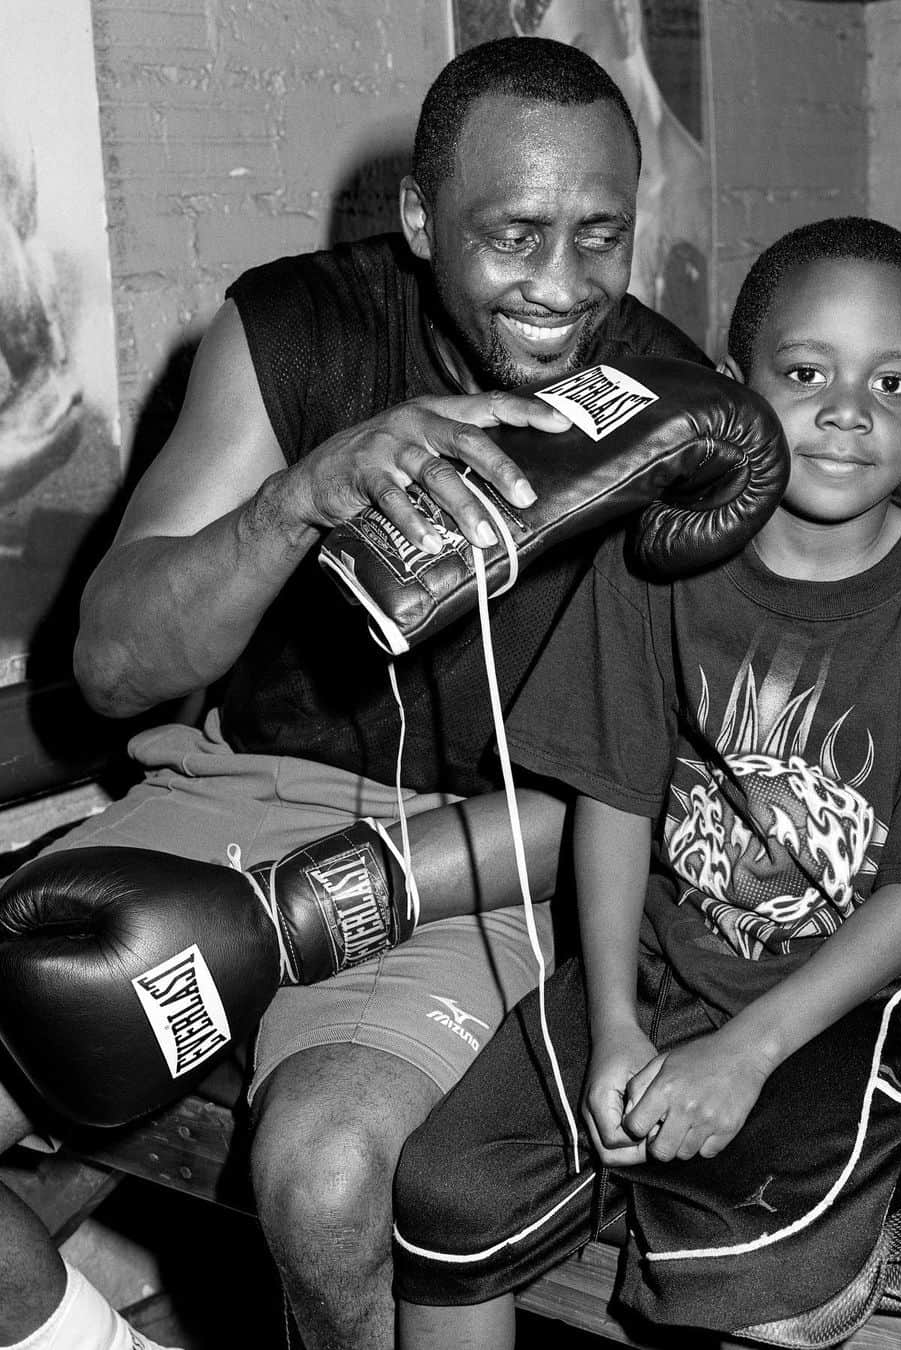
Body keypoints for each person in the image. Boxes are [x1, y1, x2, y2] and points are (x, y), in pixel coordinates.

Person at [0, 36, 714, 1350]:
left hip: (481, 848)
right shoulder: (295, 327)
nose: (562, 287)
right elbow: (111, 665)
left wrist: (338, 904)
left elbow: (657, 802)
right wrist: (294, 499)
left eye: (600, 233)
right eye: (516, 234)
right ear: (419, 216)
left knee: (328, 1182)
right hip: (230, 790)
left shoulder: (670, 413)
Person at [392, 216, 901, 1347]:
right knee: (445, 1197)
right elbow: (616, 798)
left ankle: (867, 1193)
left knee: (739, 1262)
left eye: (893, 382)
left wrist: (745, 1053)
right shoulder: (651, 551)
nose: (850, 409)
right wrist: (615, 1024)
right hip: (661, 948)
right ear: (734, 388)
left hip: (869, 982)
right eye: (804, 372)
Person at [510, 0, 711, 349]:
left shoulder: (709, 196)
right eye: (551, 77)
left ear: (625, 20)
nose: (566, 100)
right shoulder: (553, 212)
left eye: (583, 58)